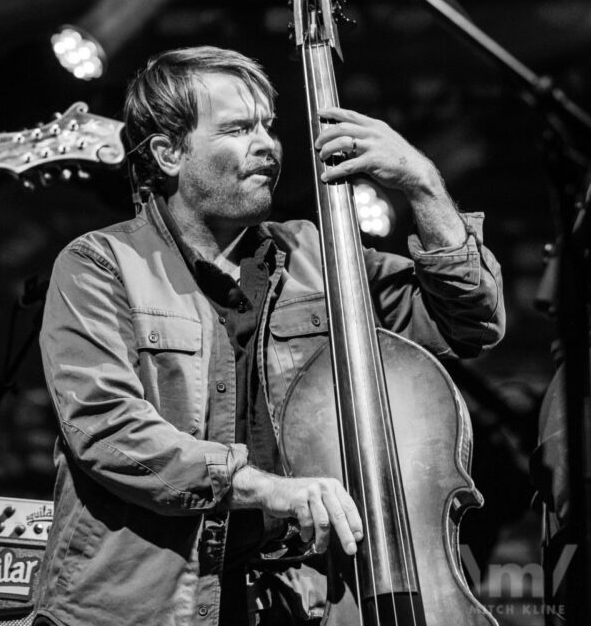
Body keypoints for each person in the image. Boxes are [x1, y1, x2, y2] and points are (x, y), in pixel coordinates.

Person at [33, 46, 505, 626]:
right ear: (168, 151)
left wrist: (422, 184)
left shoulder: (318, 255)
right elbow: (108, 429)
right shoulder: (100, 264)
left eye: (268, 126)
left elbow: (469, 320)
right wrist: (261, 487)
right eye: (237, 128)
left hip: (293, 605)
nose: (268, 144)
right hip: (143, 608)